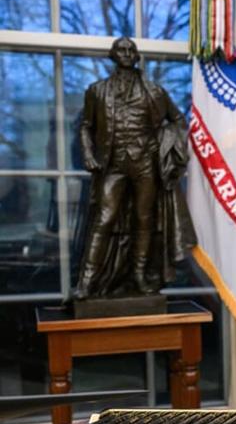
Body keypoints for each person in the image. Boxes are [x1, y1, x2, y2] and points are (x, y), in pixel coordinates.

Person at [75, 36, 195, 299]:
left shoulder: (155, 92)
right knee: (104, 219)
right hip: (113, 164)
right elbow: (86, 126)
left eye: (131, 49)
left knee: (145, 220)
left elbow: (178, 121)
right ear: (113, 55)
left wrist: (165, 146)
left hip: (145, 164)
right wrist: (87, 153)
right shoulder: (97, 90)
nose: (127, 53)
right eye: (122, 49)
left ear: (137, 55)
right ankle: (86, 282)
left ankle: (140, 276)